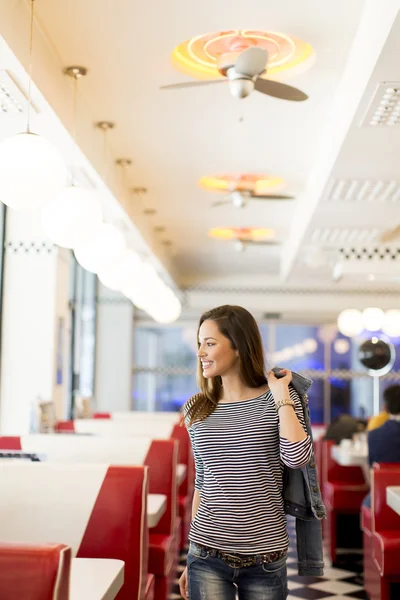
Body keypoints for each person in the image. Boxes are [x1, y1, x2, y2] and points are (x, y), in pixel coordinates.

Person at [179, 305, 314, 600]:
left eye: (210, 343)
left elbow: (297, 457)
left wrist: (281, 396)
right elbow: (202, 482)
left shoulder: (278, 398)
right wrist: (191, 555)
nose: (200, 352)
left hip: (265, 559)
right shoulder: (196, 408)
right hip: (206, 553)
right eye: (199, 343)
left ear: (238, 346)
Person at [363, 384, 400, 508]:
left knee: (367, 503)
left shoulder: (374, 435)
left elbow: (371, 472)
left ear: (385, 407)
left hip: (382, 500)